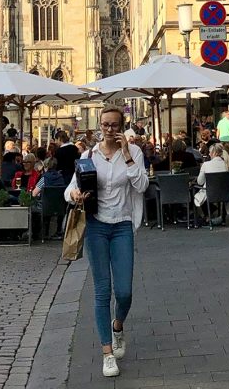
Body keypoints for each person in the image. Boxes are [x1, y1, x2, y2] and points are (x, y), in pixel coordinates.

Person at [65, 106, 148, 378]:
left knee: (124, 292)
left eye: (115, 125)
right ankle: (107, 353)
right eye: (105, 125)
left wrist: (126, 155)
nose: (110, 129)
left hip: (123, 224)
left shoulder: (133, 153)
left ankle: (118, 326)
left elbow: (142, 185)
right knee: (102, 291)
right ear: (99, 125)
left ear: (122, 126)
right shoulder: (89, 155)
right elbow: (70, 188)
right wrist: (75, 194)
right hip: (97, 226)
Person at [193, 143, 229, 209]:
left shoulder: (206, 165)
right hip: (227, 193)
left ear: (215, 153)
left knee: (196, 190)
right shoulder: (228, 164)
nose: (209, 154)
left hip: (211, 194)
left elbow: (200, 182)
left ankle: (209, 214)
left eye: (210, 152)